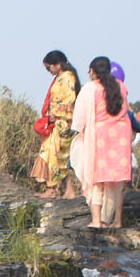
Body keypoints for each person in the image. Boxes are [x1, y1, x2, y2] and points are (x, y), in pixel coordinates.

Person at [72, 55, 134, 228]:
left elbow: (80, 116)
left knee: (97, 178)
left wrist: (78, 129)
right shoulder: (121, 86)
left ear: (92, 71)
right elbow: (125, 110)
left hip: (100, 136)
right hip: (121, 136)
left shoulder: (90, 88)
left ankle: (97, 220)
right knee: (118, 180)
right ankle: (117, 221)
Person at [35, 50, 81, 199]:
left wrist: (56, 115)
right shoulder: (61, 77)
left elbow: (69, 101)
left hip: (63, 123)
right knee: (62, 157)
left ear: (58, 64)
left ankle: (52, 188)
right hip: (59, 122)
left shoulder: (67, 78)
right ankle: (68, 190)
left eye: (49, 68)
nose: (48, 71)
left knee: (53, 155)